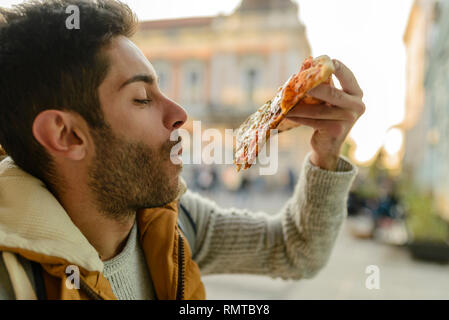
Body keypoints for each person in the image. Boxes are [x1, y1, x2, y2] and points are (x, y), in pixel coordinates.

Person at [0, 0, 365, 300]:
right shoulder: (14, 281)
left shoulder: (172, 220)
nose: (180, 114)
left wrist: (326, 151)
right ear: (66, 135)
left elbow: (295, 250)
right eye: (142, 98)